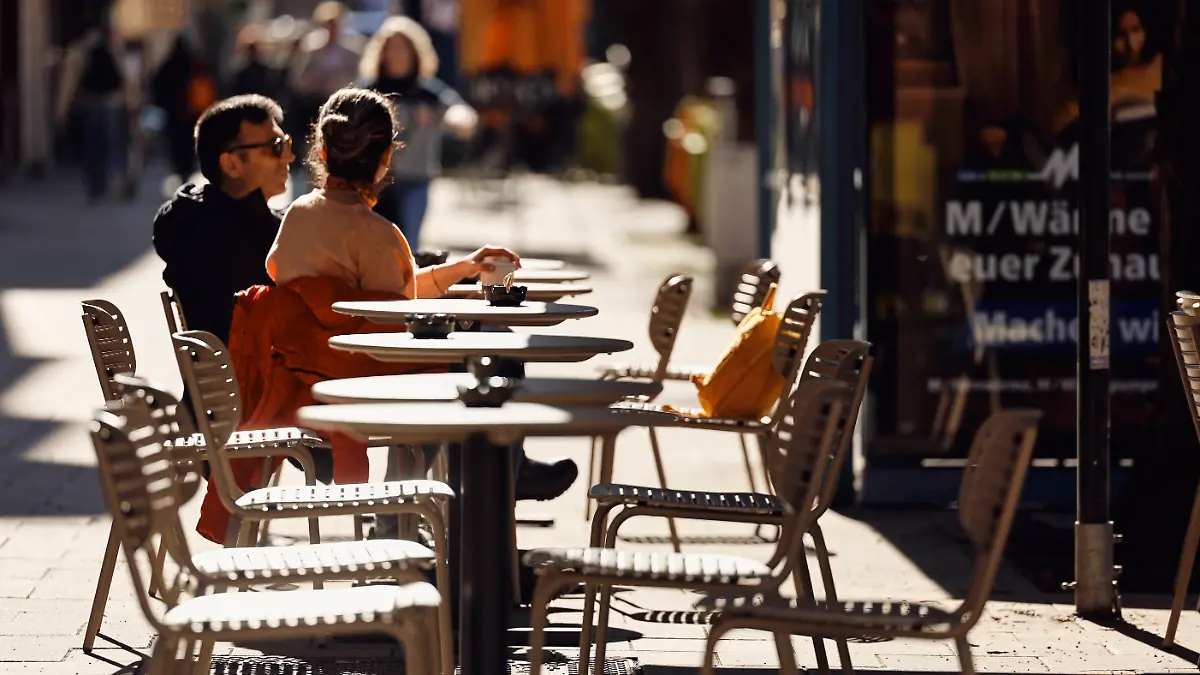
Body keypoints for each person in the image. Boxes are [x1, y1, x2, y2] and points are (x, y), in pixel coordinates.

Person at [268, 86, 577, 501]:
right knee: (495, 351)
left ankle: (407, 516)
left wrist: (462, 269)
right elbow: (401, 321)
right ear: (386, 158)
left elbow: (388, 296)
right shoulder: (378, 235)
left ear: (322, 152)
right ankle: (501, 478)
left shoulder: (297, 217)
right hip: (368, 379)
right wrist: (470, 303)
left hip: (311, 373)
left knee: (469, 354)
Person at [153, 94, 293, 347]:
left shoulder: (187, 217)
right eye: (275, 147)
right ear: (231, 163)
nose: (288, 157)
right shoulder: (227, 235)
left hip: (213, 383)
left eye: (287, 143)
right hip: (255, 382)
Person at [359, 15, 477, 249]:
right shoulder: (369, 89)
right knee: (372, 245)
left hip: (416, 179)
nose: (397, 53)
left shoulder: (428, 91)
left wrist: (456, 119)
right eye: (391, 47)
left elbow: (459, 112)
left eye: (403, 47)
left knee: (407, 244)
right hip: (375, 182)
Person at [55, 20, 132, 201]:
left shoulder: (79, 51)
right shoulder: (113, 49)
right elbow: (125, 78)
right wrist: (130, 103)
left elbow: (68, 84)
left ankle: (95, 187)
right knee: (112, 146)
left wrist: (61, 111)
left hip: (89, 105)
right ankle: (111, 184)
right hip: (112, 104)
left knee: (92, 148)